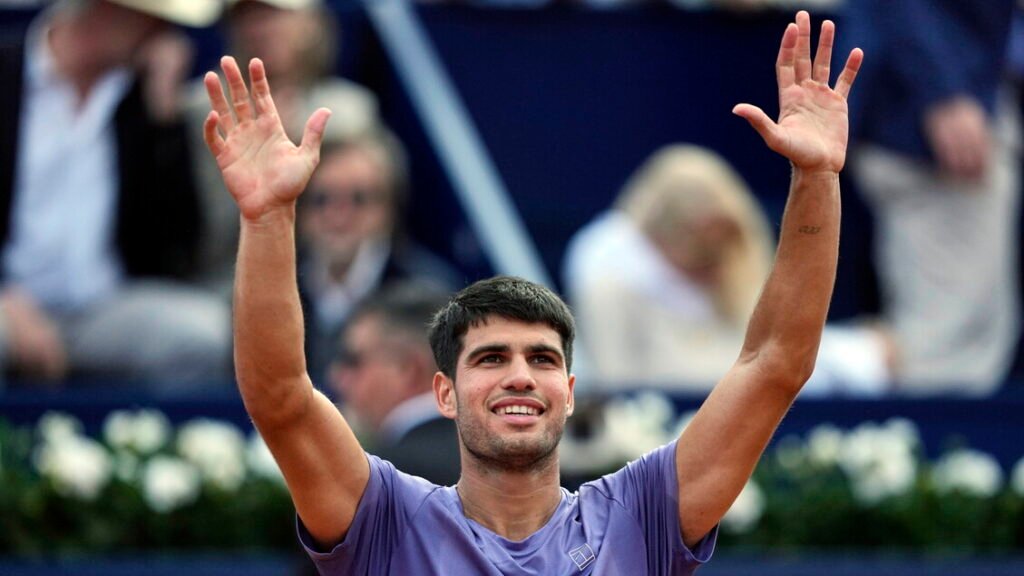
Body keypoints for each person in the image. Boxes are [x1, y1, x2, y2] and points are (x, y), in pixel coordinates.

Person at [202, 10, 861, 574]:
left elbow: (775, 361)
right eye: (491, 358)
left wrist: (816, 177)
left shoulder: (641, 516)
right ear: (443, 393)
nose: (519, 375)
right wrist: (268, 218)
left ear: (569, 393)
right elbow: (280, 395)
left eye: (541, 359)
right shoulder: (385, 518)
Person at [0, 0, 229, 387]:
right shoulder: (7, 70)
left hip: (103, 307)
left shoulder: (143, 96)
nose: (164, 36)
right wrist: (7, 299)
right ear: (106, 12)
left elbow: (179, 244)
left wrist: (165, 120)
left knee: (203, 335)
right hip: (9, 304)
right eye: (154, 20)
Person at [842, 0, 1020, 394]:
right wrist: (943, 90)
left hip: (953, 105)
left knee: (973, 330)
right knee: (947, 344)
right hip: (930, 132)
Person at [185, 0, 379, 295]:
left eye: (273, 15)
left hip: (327, 280)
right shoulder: (198, 109)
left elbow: (373, 220)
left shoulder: (350, 112)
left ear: (311, 24)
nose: (260, 29)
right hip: (225, 281)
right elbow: (193, 233)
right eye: (247, 18)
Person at [297, 130, 462, 385]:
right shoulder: (274, 286)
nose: (338, 216)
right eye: (321, 199)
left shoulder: (429, 294)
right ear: (300, 210)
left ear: (389, 208)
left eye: (358, 199)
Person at [329, 283, 460, 486]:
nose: (337, 377)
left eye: (353, 360)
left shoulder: (379, 478)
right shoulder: (496, 457)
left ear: (409, 368)